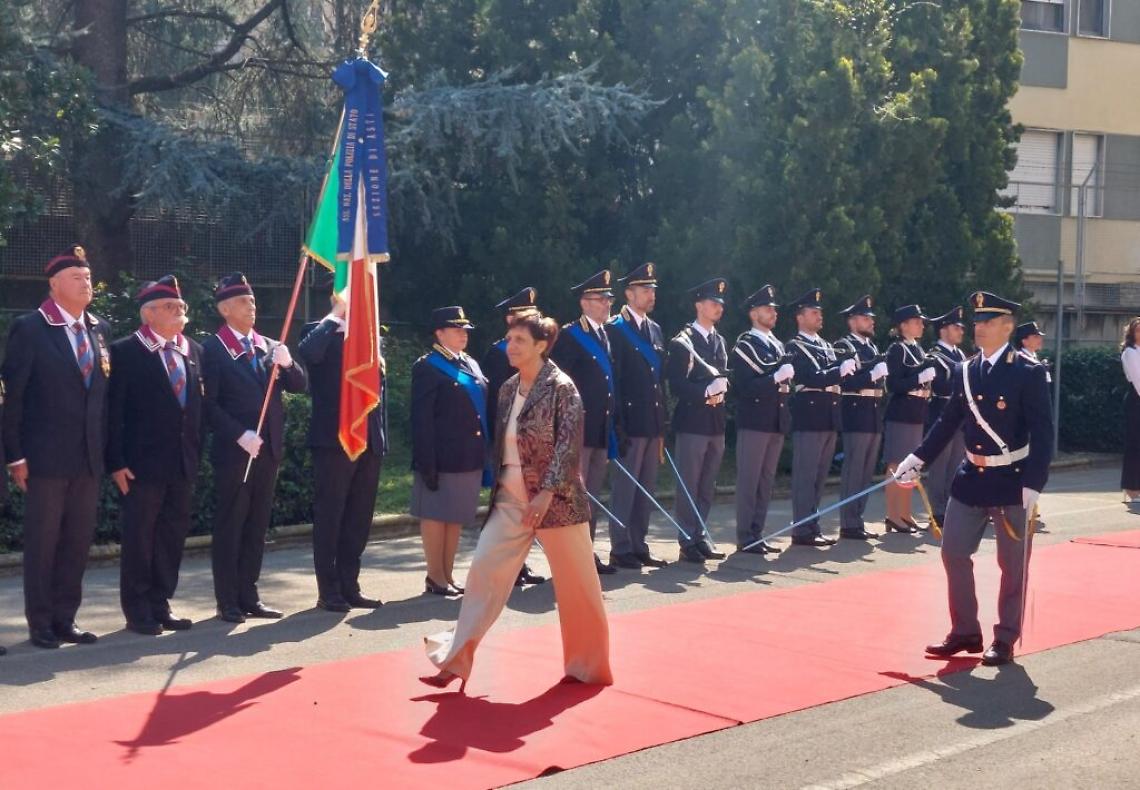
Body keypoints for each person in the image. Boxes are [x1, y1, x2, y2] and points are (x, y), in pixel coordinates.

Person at [422, 310, 612, 690]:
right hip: (510, 499)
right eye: (509, 339)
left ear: (541, 346)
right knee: (483, 574)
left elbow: (567, 447)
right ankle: (455, 661)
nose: (510, 346)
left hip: (557, 502)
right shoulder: (507, 388)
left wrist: (545, 493)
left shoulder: (562, 387)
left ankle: (588, 667)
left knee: (579, 588)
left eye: (519, 341)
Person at [895, 291, 1053, 666]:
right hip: (971, 479)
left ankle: (1005, 637)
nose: (978, 329)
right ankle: (965, 630)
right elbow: (948, 422)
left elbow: (1044, 433)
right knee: (953, 553)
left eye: (987, 322)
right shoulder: (966, 370)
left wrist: (1034, 482)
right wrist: (917, 458)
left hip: (1013, 479)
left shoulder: (1027, 372)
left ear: (1007, 326)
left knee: (1012, 565)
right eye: (977, 322)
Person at [2, 245, 109, 649]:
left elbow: (103, 397)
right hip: (44, 457)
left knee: (77, 542)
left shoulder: (99, 329)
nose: (85, 283)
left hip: (87, 457)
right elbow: (15, 397)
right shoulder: (31, 329)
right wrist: (16, 455)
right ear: (54, 285)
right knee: (43, 543)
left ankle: (66, 618)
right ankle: (41, 622)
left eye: (87, 276)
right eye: (76, 277)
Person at [202, 272, 307, 623]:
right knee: (231, 525)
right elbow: (209, 406)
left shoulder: (267, 344)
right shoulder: (214, 350)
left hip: (268, 450)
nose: (252, 307)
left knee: (257, 526)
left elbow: (298, 385)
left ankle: (250, 593)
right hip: (237, 451)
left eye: (253, 301)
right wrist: (238, 434)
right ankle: (227, 599)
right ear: (225, 309)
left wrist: (288, 363)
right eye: (244, 302)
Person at [107, 275, 203, 635]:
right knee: (139, 537)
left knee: (171, 536)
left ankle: (161, 602)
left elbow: (196, 410)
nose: (179, 310)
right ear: (148, 314)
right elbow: (113, 413)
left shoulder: (193, 350)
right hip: (140, 465)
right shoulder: (126, 351)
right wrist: (115, 461)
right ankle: (137, 609)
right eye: (169, 306)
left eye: (181, 306)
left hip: (181, 463)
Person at [297, 289, 387, 612]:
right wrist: (336, 315)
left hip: (368, 441)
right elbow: (308, 353)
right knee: (331, 516)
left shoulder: (372, 338)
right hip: (334, 440)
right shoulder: (318, 331)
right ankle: (329, 589)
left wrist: (381, 440)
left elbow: (378, 395)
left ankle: (350, 585)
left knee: (358, 519)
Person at [411, 306, 489, 596]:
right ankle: (435, 576)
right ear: (439, 333)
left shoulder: (470, 363)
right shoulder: (428, 366)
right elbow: (421, 419)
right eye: (456, 329)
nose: (463, 334)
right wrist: (426, 461)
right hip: (441, 456)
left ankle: (447, 574)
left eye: (465, 330)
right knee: (435, 515)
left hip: (468, 454)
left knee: (455, 516)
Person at [550, 269, 618, 575]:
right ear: (585, 303)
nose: (607, 304)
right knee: (574, 497)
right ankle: (571, 558)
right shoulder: (569, 336)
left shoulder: (604, 334)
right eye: (601, 299)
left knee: (591, 495)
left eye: (608, 299)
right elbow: (558, 385)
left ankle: (586, 554)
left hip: (600, 429)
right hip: (577, 430)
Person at [605, 262, 669, 569]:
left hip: (651, 421)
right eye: (645, 290)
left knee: (646, 487)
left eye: (653, 289)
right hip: (629, 422)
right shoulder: (615, 329)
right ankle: (620, 546)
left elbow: (659, 382)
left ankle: (639, 543)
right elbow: (614, 380)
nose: (651, 294)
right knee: (625, 488)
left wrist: (662, 422)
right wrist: (617, 423)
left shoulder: (654, 329)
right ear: (629, 294)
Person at [482, 287, 547, 587]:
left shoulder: (538, 353)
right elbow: (498, 403)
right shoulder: (498, 354)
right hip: (509, 442)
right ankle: (507, 568)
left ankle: (520, 564)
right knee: (509, 509)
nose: (532, 319)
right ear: (510, 319)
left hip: (534, 441)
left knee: (527, 507)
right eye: (525, 315)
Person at [786, 288, 857, 547]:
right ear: (800, 318)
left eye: (820, 313)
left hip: (828, 416)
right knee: (806, 476)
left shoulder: (826, 345)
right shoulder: (795, 346)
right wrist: (839, 371)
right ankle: (801, 528)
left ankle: (812, 524)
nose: (819, 317)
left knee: (819, 477)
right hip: (811, 416)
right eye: (813, 313)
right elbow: (810, 377)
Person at [666, 278, 730, 563]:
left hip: (715, 422)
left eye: (720, 305)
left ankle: (700, 534)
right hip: (692, 422)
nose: (718, 308)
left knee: (707, 484)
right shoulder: (684, 341)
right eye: (713, 303)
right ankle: (686, 538)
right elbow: (676, 384)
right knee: (689, 483)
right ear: (699, 305)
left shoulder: (719, 340)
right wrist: (704, 390)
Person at [730, 285, 793, 555]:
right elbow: (745, 386)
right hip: (755, 421)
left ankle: (758, 531)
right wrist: (775, 378)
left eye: (774, 309)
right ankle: (745, 535)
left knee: (766, 481)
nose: (773, 313)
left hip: (775, 420)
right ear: (754, 314)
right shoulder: (746, 345)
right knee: (750, 480)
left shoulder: (777, 345)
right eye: (768, 309)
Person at [834, 295, 888, 540]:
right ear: (852, 322)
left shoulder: (871, 347)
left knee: (866, 471)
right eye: (866, 319)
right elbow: (847, 381)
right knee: (854, 469)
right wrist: (872, 375)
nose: (871, 323)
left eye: (871, 318)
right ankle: (848, 522)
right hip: (856, 411)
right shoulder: (845, 346)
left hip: (873, 412)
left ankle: (858, 518)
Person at [882, 304, 935, 534]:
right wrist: (919, 378)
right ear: (903, 325)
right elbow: (893, 384)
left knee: (911, 467)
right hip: (902, 412)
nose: (921, 325)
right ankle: (893, 515)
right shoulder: (897, 350)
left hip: (917, 412)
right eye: (916, 321)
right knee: (896, 465)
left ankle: (905, 513)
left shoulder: (919, 350)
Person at [924, 307, 968, 525]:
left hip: (959, 417)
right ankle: (937, 510)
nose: (961, 331)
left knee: (956, 465)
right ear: (943, 330)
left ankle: (952, 506)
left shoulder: (959, 355)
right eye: (956, 327)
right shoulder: (935, 356)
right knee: (940, 467)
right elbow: (940, 387)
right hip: (942, 414)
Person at [1120, 317, 1140, 502]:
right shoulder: (1130, 352)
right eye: (1138, 330)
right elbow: (1137, 379)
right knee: (1134, 445)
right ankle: (1131, 487)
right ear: (1132, 334)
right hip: (1136, 400)